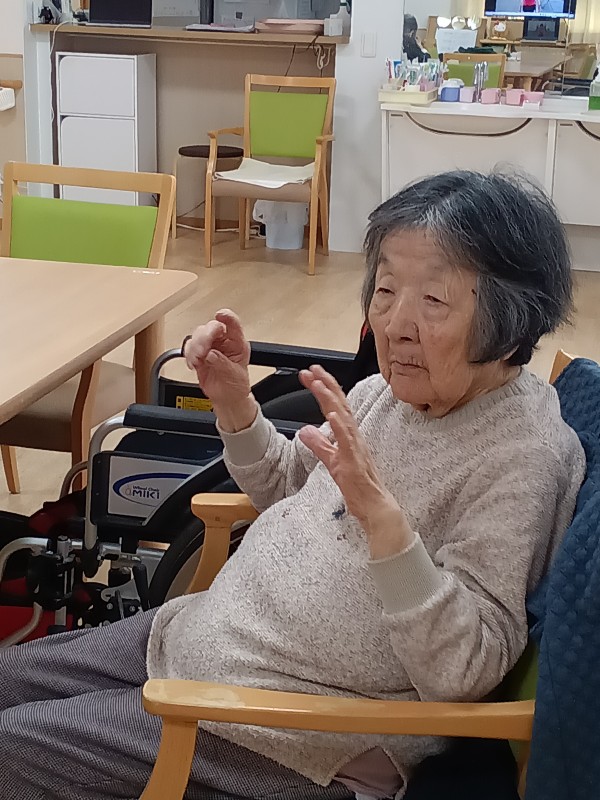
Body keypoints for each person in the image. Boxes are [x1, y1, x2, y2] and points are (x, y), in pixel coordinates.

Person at [0, 170, 586, 800]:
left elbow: (465, 669)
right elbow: (288, 485)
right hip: (205, 636)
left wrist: (384, 525)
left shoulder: (522, 457)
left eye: (434, 301)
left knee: (9, 747)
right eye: (386, 289)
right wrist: (236, 406)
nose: (395, 325)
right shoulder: (387, 393)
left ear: (510, 319)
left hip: (288, 732)